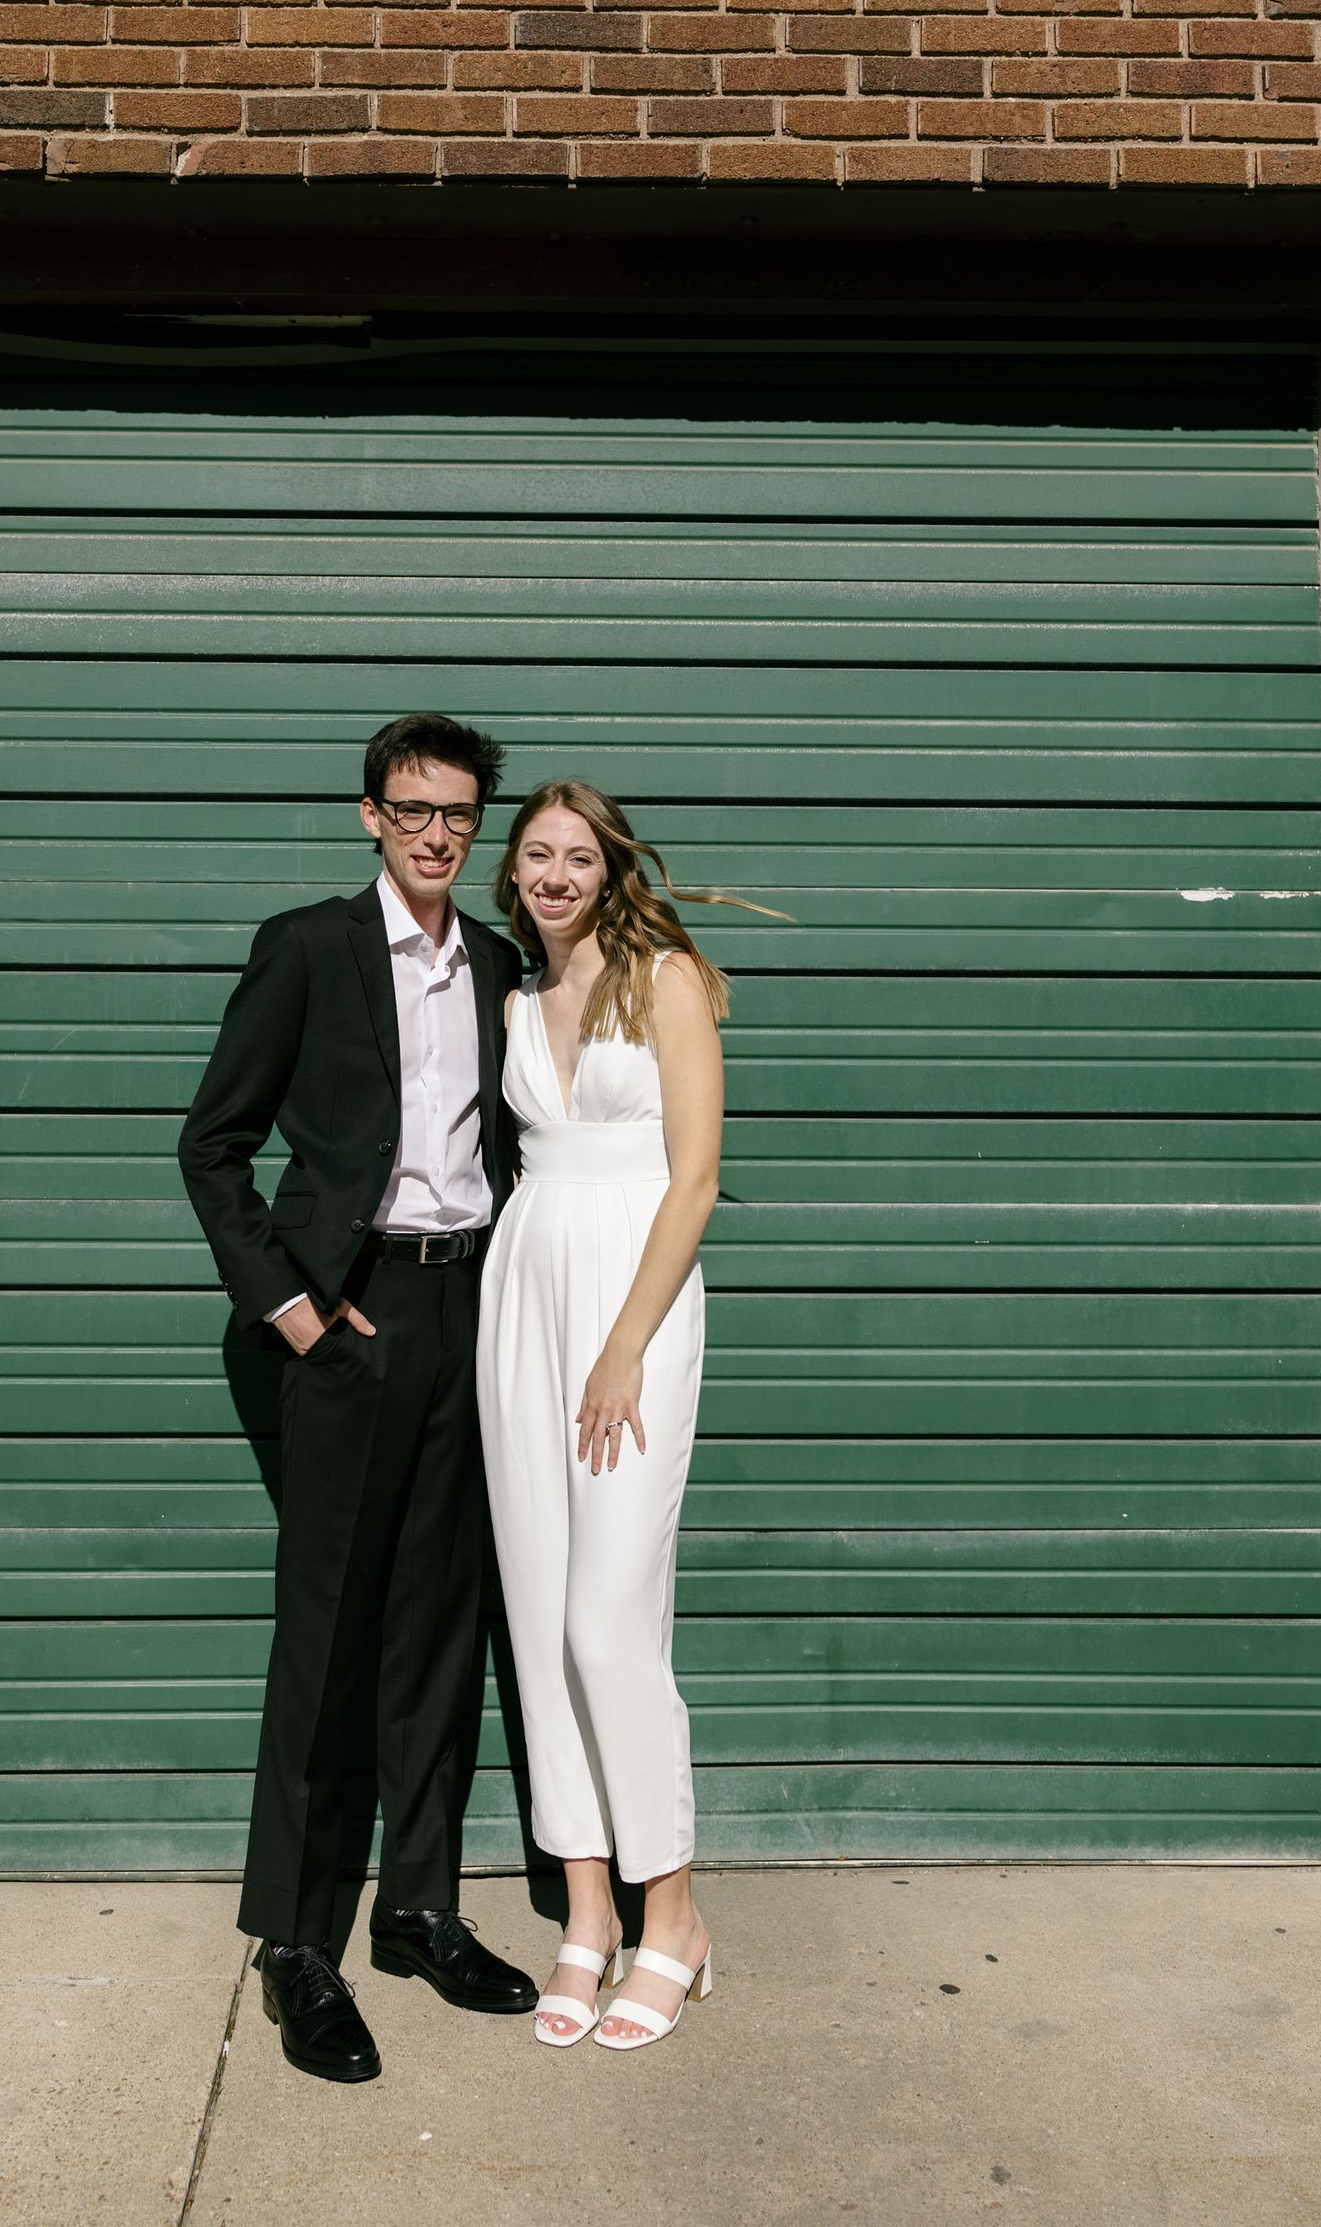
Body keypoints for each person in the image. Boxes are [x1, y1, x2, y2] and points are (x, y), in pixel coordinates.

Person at [177, 714, 537, 2085]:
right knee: (326, 1634)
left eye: (457, 813)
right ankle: (294, 1943)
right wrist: (296, 1309)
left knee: (439, 1628)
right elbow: (211, 1146)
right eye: (412, 808)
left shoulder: (496, 963)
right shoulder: (307, 948)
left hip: (467, 1310)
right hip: (349, 1316)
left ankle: (418, 1908)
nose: (436, 832)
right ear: (370, 815)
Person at [477, 779, 784, 2053]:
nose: (555, 873)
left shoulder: (664, 979)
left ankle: (675, 1916)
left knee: (608, 1623)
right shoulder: (512, 1000)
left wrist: (621, 1343)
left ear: (610, 871)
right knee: (541, 1622)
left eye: (578, 856)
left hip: (630, 1307)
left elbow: (694, 1177)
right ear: (513, 873)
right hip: (521, 1295)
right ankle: (588, 1912)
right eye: (536, 854)